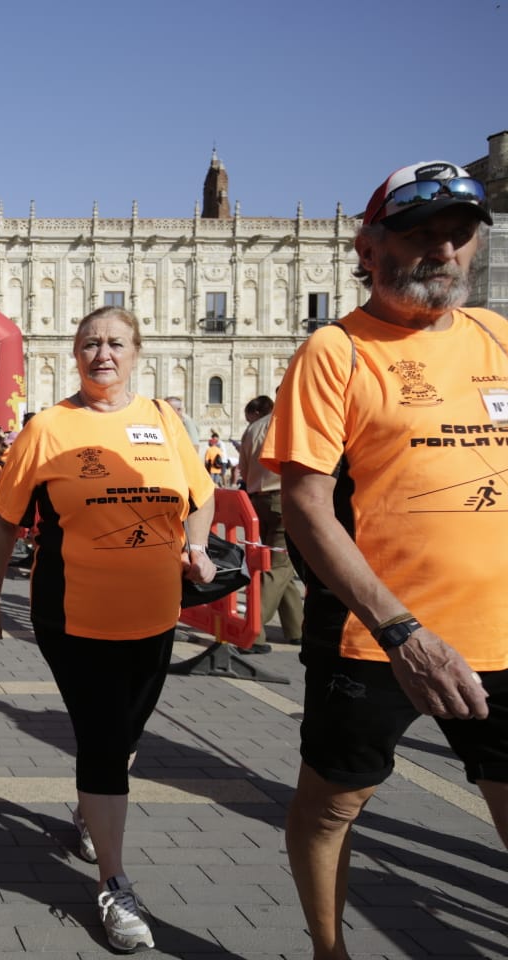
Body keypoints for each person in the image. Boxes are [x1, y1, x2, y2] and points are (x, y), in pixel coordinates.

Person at [261, 160, 508, 960]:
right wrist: (403, 631)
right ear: (368, 248)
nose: (440, 248)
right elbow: (304, 505)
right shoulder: (335, 353)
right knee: (334, 804)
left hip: (502, 633)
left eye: (457, 233)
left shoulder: (501, 340)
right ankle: (329, 950)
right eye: (417, 232)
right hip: (376, 639)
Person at [0, 305, 216, 954]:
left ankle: (90, 809)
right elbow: (3, 523)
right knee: (104, 743)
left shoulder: (163, 421)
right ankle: (115, 883)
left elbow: (203, 493)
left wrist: (198, 546)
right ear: (74, 355)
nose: (102, 353)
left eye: (114, 343)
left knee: (127, 735)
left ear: (137, 351)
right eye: (89, 344)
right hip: (73, 615)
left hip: (157, 614)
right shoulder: (49, 428)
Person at [239, 395, 301, 651]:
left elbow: (242, 468)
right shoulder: (287, 423)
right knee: (280, 565)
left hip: (257, 501)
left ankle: (297, 628)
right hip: (283, 498)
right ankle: (252, 631)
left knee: (277, 563)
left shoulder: (252, 428)